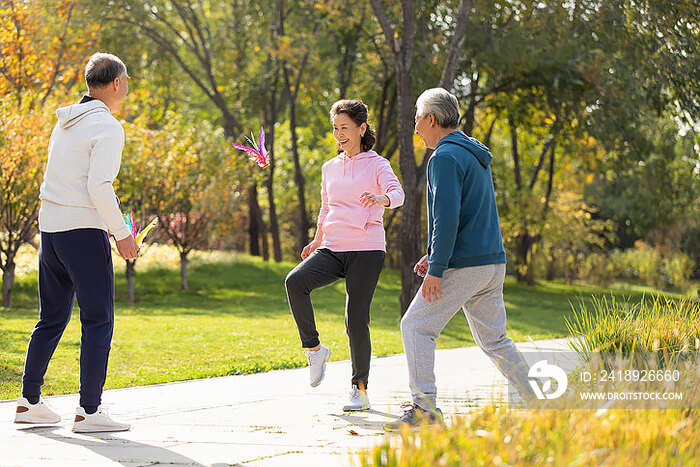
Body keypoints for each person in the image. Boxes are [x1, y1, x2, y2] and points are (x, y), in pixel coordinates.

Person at [385, 88, 533, 430]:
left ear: (432, 119)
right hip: (491, 264)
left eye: (418, 119)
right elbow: (468, 216)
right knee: (495, 340)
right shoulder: (471, 153)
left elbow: (448, 218)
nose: (416, 127)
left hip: (464, 266)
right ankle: (538, 400)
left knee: (416, 326)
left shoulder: (444, 158)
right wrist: (432, 254)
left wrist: (437, 269)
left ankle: (425, 411)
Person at [15, 53, 137, 433]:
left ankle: (28, 402)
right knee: (98, 318)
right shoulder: (107, 127)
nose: (128, 85)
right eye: (127, 79)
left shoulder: (65, 122)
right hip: (84, 232)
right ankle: (89, 411)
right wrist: (122, 233)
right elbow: (99, 186)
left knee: (51, 318)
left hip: (50, 231)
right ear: (116, 83)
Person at [285, 99, 405, 412]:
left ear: (361, 128)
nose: (339, 134)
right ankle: (314, 349)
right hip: (333, 247)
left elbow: (398, 193)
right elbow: (326, 207)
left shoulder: (378, 164)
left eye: (345, 128)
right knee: (295, 282)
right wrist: (316, 240)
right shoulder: (330, 168)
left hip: (366, 248)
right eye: (336, 128)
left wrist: (382, 198)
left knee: (355, 320)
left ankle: (359, 389)